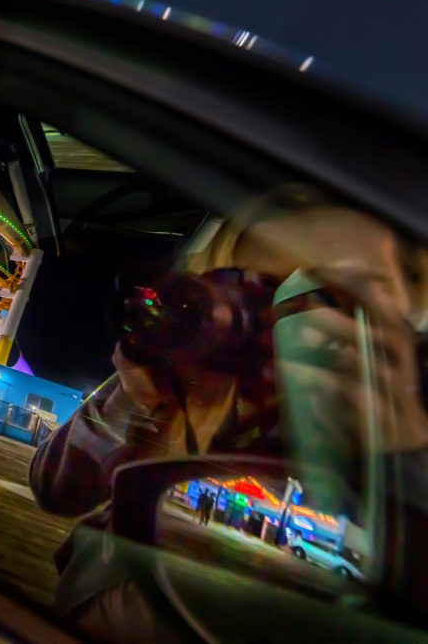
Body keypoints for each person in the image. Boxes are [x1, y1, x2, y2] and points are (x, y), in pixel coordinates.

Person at [29, 185, 428, 640]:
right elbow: (55, 489)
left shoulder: (358, 405)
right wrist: (137, 397)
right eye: (237, 277)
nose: (250, 308)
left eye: (281, 293)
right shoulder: (183, 373)